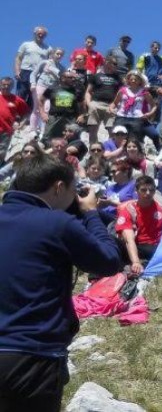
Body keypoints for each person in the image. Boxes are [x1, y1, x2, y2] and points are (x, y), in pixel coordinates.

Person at [0, 153, 120, 411]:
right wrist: (90, 213)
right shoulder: (57, 223)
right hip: (32, 357)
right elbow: (109, 260)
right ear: (58, 187)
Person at [116, 175, 162, 275]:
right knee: (110, 241)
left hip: (158, 246)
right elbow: (128, 240)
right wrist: (136, 262)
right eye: (143, 190)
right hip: (137, 245)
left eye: (151, 190)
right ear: (136, 191)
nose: (148, 193)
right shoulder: (128, 210)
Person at [109, 71, 158, 143]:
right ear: (128, 80)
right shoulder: (122, 91)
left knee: (135, 139)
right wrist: (111, 109)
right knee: (116, 136)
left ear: (140, 81)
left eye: (135, 79)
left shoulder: (144, 93)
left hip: (137, 118)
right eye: (131, 79)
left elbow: (154, 106)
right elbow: (114, 103)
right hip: (121, 117)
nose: (133, 81)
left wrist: (149, 114)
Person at [85, 58, 123, 143]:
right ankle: (93, 149)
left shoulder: (118, 78)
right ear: (106, 63)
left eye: (115, 64)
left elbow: (121, 92)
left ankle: (111, 150)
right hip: (96, 103)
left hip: (111, 105)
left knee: (112, 130)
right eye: (113, 63)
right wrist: (89, 104)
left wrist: (117, 104)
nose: (114, 65)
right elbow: (88, 91)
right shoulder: (95, 76)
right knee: (93, 129)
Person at [14, 26, 52, 108]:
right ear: (34, 34)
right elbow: (18, 58)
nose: (41, 35)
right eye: (39, 33)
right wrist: (17, 71)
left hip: (38, 75)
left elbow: (50, 63)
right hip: (25, 72)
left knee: (34, 97)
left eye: (43, 34)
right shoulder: (26, 44)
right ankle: (17, 115)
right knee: (21, 94)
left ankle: (28, 118)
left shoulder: (48, 48)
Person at [40, 72, 81, 144]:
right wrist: (43, 113)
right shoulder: (52, 88)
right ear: (63, 78)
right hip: (54, 116)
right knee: (46, 138)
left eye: (73, 78)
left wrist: (81, 115)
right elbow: (41, 100)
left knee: (74, 138)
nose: (73, 79)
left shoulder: (76, 90)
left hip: (70, 118)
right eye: (70, 78)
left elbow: (82, 104)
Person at [30, 48, 65, 130]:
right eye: (57, 54)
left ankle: (43, 129)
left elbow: (65, 74)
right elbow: (33, 73)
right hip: (41, 85)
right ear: (53, 54)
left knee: (47, 108)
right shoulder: (44, 62)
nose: (59, 56)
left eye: (61, 55)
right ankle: (32, 129)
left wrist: (53, 70)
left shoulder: (61, 67)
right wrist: (33, 83)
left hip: (51, 89)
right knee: (36, 108)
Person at [0, 77, 31, 162]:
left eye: (8, 85)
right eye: (4, 85)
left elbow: (27, 113)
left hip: (6, 132)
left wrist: (21, 125)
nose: (6, 87)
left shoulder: (17, 99)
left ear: (12, 87)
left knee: (1, 154)